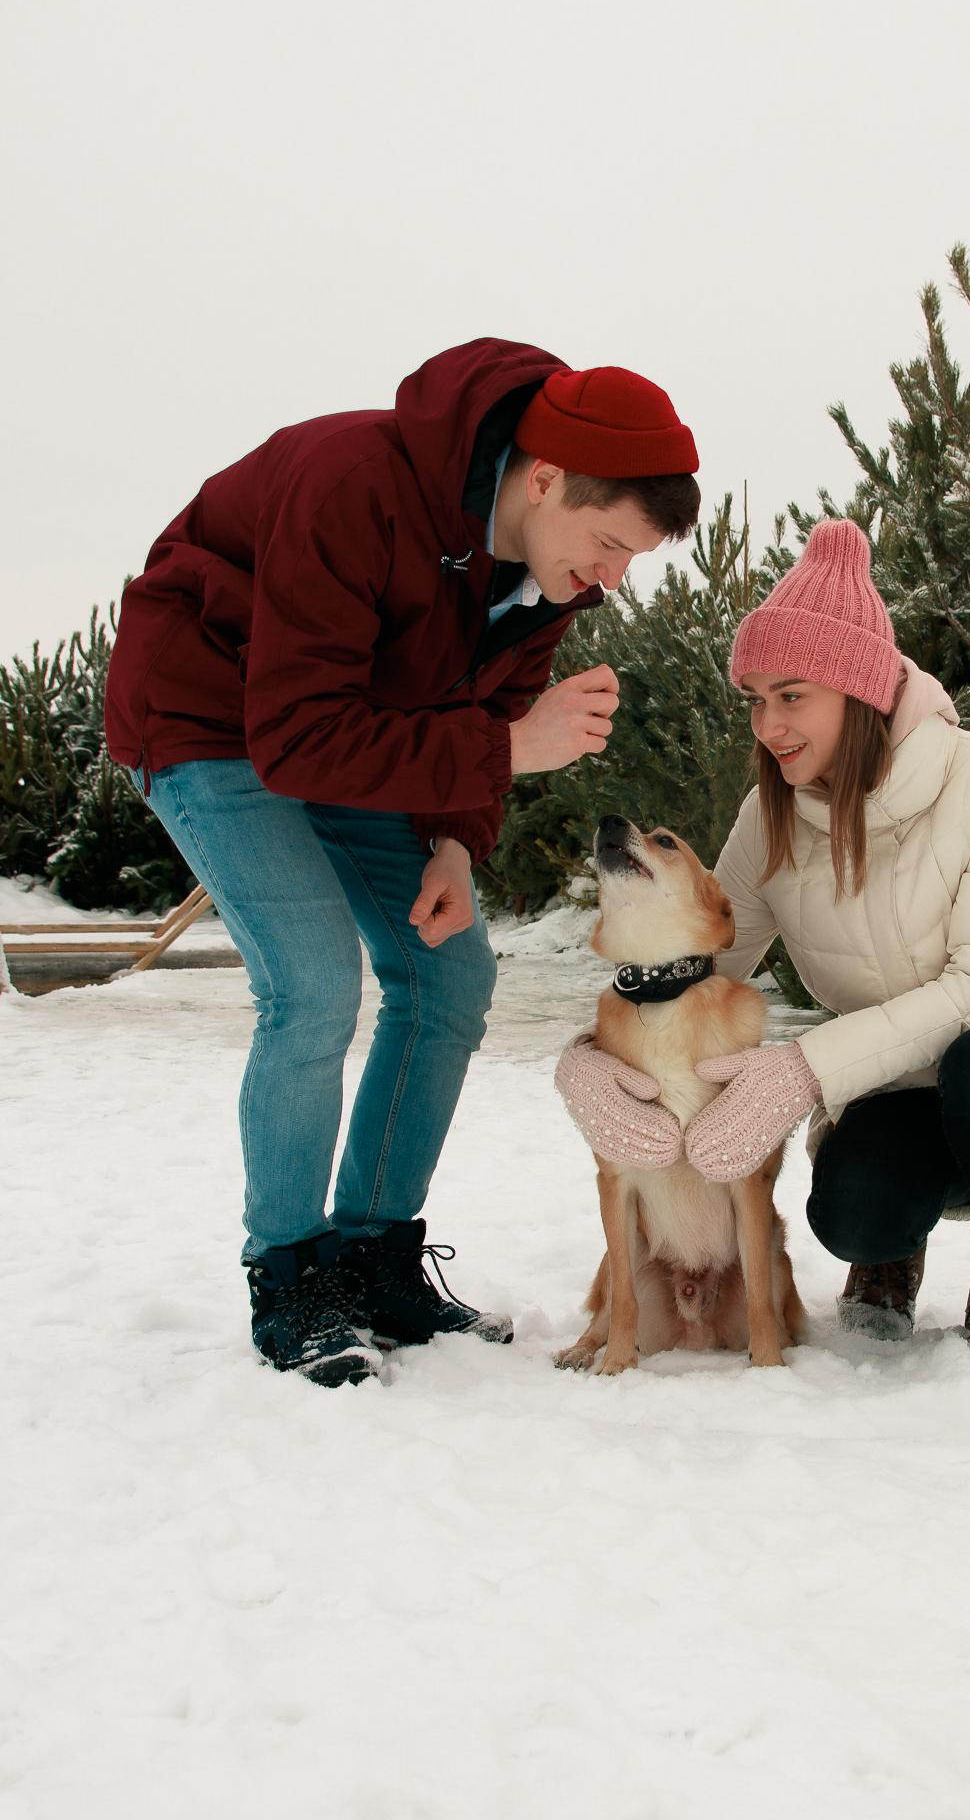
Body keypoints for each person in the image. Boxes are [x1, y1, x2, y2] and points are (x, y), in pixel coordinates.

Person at [105, 337, 700, 1386]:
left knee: (447, 973)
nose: (610, 579)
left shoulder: (547, 580)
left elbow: (473, 710)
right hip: (213, 715)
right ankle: (290, 1276)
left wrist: (456, 843)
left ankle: (375, 1256)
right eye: (607, 542)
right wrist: (510, 750)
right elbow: (294, 736)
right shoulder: (354, 485)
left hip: (356, 727)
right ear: (546, 478)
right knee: (312, 982)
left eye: (628, 562)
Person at [556, 519, 970, 1355]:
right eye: (756, 700)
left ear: (861, 692)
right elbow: (692, 964)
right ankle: (890, 1255)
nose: (768, 724)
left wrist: (804, 1070)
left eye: (792, 695)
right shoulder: (769, 821)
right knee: (850, 1212)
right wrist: (589, 1057)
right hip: (897, 1085)